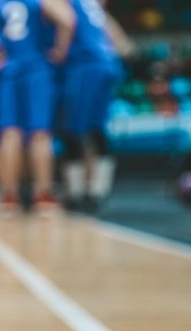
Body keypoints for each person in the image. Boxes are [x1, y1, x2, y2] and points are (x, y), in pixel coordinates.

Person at [0, 0, 74, 213]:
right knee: (40, 134)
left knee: (9, 133)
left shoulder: (0, 4)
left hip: (10, 72)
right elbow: (68, 21)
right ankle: (43, 193)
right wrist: (61, 49)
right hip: (37, 70)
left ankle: (9, 195)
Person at [60, 0, 136, 212]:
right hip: (107, 65)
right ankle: (97, 189)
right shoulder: (91, 5)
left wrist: (58, 51)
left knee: (73, 130)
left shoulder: (67, 3)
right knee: (96, 128)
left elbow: (65, 23)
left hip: (86, 66)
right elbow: (123, 43)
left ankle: (76, 192)